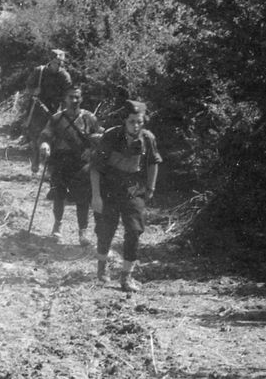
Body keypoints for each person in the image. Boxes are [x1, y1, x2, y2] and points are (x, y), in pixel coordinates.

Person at [89, 100, 162, 294]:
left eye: (139, 121)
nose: (135, 126)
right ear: (125, 121)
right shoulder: (111, 136)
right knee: (105, 230)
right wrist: (96, 196)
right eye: (132, 121)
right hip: (109, 189)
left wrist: (150, 188)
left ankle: (126, 276)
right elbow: (95, 167)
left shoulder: (148, 138)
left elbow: (154, 162)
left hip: (133, 190)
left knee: (134, 230)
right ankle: (102, 266)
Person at [36, 84, 100, 245]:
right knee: (58, 194)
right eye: (71, 96)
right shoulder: (57, 118)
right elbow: (45, 136)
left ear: (82, 98)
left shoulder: (89, 118)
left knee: (82, 197)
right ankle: (57, 226)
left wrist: (92, 151)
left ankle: (83, 232)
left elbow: (101, 139)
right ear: (65, 99)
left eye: (77, 97)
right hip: (60, 160)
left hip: (81, 162)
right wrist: (45, 145)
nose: (74, 100)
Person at [20, 50, 76, 171]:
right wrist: (34, 91)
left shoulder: (64, 76)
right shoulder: (39, 71)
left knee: (54, 138)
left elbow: (68, 93)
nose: (58, 65)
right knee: (35, 135)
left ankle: (49, 166)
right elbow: (28, 87)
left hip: (55, 110)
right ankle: (35, 158)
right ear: (50, 61)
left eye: (60, 62)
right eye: (56, 62)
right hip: (37, 109)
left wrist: (65, 108)